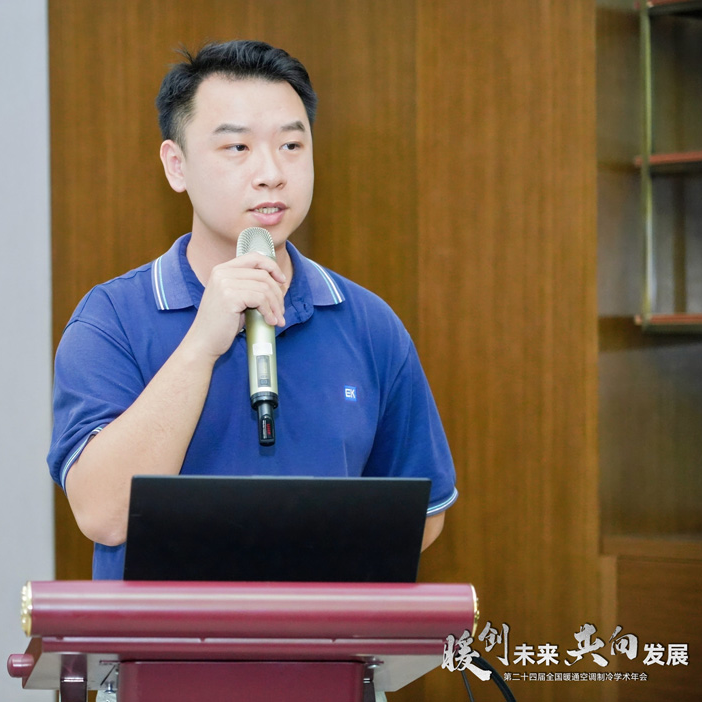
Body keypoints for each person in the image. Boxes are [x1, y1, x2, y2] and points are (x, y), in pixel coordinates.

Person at [47, 40, 457, 580]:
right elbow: (102, 514)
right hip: (164, 637)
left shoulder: (369, 324)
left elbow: (423, 516)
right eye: (237, 147)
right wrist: (201, 346)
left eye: (291, 145)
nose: (271, 172)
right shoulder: (111, 320)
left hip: (319, 635)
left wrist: (287, 569)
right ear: (176, 165)